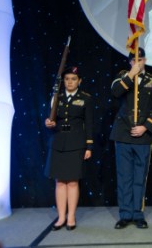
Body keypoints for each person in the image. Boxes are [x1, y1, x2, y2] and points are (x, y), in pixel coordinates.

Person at [110, 48, 152, 229]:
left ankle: (138, 213)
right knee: (124, 176)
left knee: (139, 176)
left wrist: (146, 126)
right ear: (129, 62)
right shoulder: (121, 77)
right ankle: (125, 214)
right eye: (134, 60)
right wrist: (131, 75)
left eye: (140, 60)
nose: (138, 63)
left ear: (145, 60)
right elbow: (116, 92)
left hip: (143, 135)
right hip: (123, 134)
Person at [45, 66, 93, 231]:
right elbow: (50, 120)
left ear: (79, 81)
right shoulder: (56, 97)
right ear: (63, 81)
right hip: (58, 142)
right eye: (67, 79)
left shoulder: (85, 98)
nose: (70, 82)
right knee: (59, 182)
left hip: (76, 144)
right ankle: (61, 217)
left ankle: (71, 217)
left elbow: (90, 123)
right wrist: (49, 123)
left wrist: (89, 146)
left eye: (73, 79)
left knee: (72, 182)